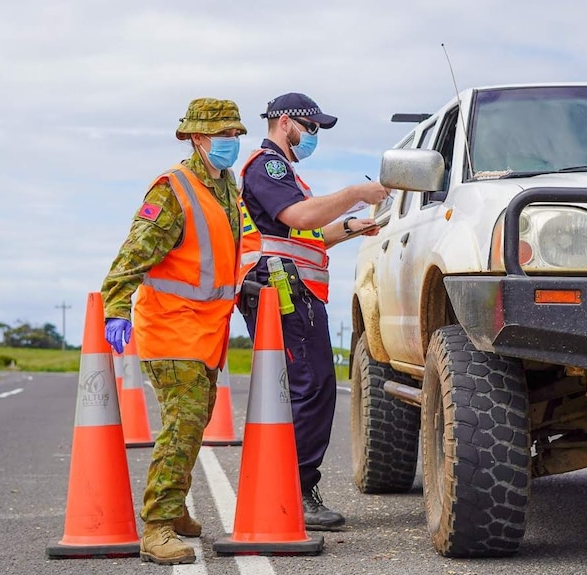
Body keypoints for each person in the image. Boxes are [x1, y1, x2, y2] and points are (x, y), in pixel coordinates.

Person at [101, 98, 246, 565]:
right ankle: (158, 526)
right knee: (182, 425)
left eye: (235, 134)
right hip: (170, 325)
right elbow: (133, 253)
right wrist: (116, 307)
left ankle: (176, 506)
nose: (232, 143)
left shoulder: (227, 185)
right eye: (223, 136)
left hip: (207, 328)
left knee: (196, 420)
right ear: (197, 139)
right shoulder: (172, 188)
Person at [237, 92, 389, 530]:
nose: (314, 136)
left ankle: (289, 487)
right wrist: (356, 193)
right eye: (312, 127)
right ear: (285, 122)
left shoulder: (283, 173)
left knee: (307, 388)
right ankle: (297, 491)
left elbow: (307, 234)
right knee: (312, 386)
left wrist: (350, 227)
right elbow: (299, 217)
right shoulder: (269, 165)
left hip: (290, 287)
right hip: (283, 290)